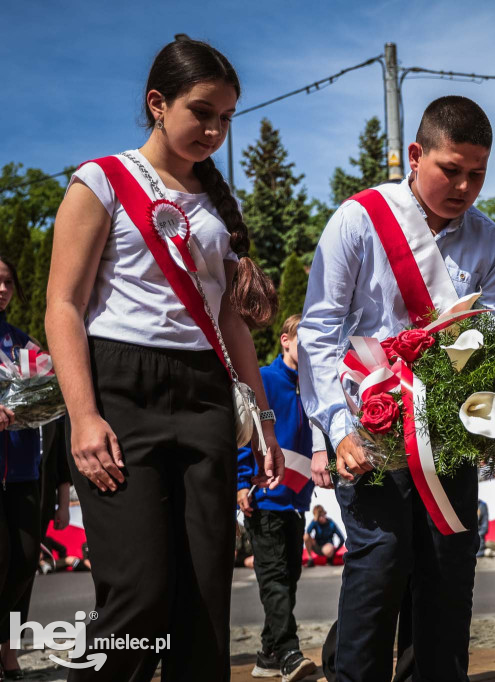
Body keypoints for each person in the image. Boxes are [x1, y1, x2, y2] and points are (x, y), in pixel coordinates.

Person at [46, 37, 285, 680]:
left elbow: (228, 318)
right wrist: (83, 416)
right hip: (120, 392)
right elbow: (62, 306)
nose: (214, 129)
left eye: (226, 118)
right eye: (202, 111)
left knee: (205, 601)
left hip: (204, 394)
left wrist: (261, 416)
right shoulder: (101, 180)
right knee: (138, 595)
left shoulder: (214, 206)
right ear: (158, 103)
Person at [299, 96, 495, 682]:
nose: (464, 186)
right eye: (451, 169)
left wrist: (490, 423)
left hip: (448, 435)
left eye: (477, 174)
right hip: (369, 430)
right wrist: (337, 429)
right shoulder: (359, 219)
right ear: (416, 155)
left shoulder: (491, 245)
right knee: (380, 566)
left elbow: (491, 346)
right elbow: (319, 330)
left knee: (447, 574)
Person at [237, 314, 321, 681]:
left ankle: (268, 656)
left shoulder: (313, 386)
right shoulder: (265, 379)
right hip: (263, 498)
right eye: (303, 338)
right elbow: (243, 429)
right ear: (286, 340)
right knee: (274, 580)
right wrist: (241, 481)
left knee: (288, 580)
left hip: (295, 502)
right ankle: (288, 653)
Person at [0, 255, 43, 680]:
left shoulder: (24, 345)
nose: (3, 289)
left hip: (26, 470)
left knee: (26, 561)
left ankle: (9, 648)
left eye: (8, 281)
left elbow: (55, 390)